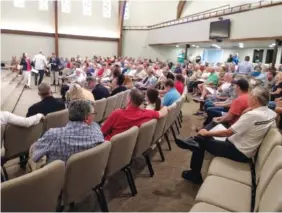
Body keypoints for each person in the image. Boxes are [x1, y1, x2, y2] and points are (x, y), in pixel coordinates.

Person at [176, 87, 276, 184]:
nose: (248, 97)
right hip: (243, 147)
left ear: (255, 99)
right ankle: (193, 140)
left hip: (238, 151)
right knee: (214, 125)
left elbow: (228, 132)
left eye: (250, 95)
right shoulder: (271, 113)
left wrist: (207, 133)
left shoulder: (253, 115)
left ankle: (195, 173)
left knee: (201, 141)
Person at [31, 100, 104, 163]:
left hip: (58, 178)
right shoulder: (97, 132)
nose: (94, 117)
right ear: (87, 118)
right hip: (88, 175)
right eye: (93, 114)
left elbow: (35, 157)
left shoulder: (53, 135)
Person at [101, 88, 168, 140]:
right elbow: (162, 112)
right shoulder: (147, 113)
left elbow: (102, 131)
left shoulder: (117, 113)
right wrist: (165, 107)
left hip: (109, 143)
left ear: (129, 100)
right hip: (127, 146)